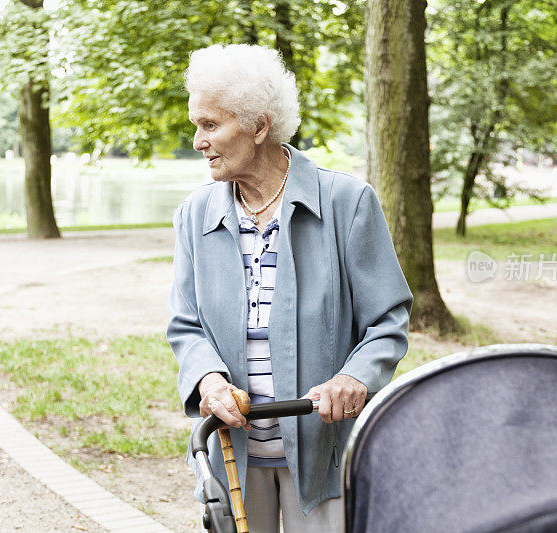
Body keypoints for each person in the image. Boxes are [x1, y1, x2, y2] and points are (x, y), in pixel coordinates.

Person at [167, 43, 412, 533]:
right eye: (197, 124)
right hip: (233, 452)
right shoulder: (195, 214)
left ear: (259, 126)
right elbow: (186, 325)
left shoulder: (347, 203)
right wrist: (209, 381)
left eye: (210, 125)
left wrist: (355, 377)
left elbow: (387, 321)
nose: (198, 141)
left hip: (323, 451)